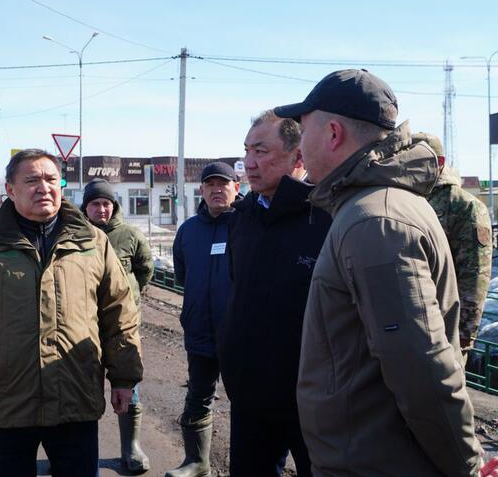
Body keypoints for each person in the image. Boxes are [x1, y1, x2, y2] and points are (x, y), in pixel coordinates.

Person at [275, 69, 482, 475]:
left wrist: (467, 467)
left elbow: (422, 369)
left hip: (375, 464)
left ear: (333, 133)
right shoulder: (375, 208)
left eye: (303, 130)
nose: (300, 145)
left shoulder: (375, 222)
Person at [0, 149, 142, 477]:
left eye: (51, 179)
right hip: (8, 405)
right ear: (10, 189)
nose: (44, 188)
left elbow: (119, 314)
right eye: (32, 180)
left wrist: (124, 378)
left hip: (75, 400)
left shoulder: (91, 242)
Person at [219, 111, 332, 476]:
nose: (249, 163)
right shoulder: (242, 217)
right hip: (249, 394)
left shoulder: (327, 218)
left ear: (298, 157)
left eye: (261, 151)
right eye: (246, 151)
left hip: (312, 399)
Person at [167, 161, 236, 477]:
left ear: (236, 188)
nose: (217, 189)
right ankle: (196, 461)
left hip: (239, 333)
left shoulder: (247, 225)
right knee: (198, 395)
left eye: (223, 184)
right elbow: (182, 275)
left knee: (247, 403)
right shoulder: (188, 230)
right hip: (199, 330)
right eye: (210, 184)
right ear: (202, 190)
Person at [81, 178, 153, 474]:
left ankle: (130, 447)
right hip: (84, 327)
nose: (101, 209)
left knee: (128, 383)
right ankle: (81, 453)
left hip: (122, 326)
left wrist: (130, 298)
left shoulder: (130, 235)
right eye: (95, 204)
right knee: (82, 389)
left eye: (106, 204)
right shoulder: (75, 234)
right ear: (85, 207)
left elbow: (145, 270)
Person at [413, 132, 493, 357]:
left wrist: (463, 336)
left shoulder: (465, 206)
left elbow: (475, 275)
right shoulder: (413, 199)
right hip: (416, 322)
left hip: (447, 329)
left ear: (439, 162)